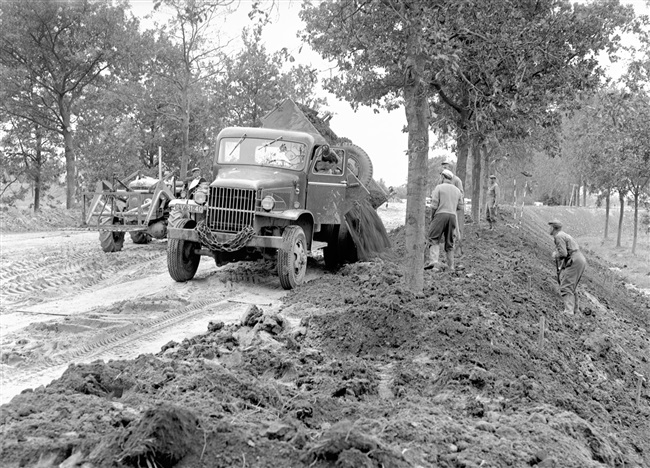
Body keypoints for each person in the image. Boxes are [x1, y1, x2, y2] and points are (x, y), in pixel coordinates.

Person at [425, 169, 463, 272]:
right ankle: (451, 266)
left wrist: (432, 217)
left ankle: (434, 264)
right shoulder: (457, 190)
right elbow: (460, 207)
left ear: (442, 177)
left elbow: (434, 205)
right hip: (452, 217)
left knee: (434, 238)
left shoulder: (439, 188)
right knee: (449, 242)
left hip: (440, 215)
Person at [549, 219, 587, 315]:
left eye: (550, 227)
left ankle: (569, 312)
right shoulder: (563, 235)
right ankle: (575, 310)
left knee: (566, 286)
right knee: (571, 286)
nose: (548, 229)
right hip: (578, 259)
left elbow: (563, 253)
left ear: (553, 228)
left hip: (575, 260)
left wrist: (555, 255)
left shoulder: (558, 236)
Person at [439, 161, 465, 255]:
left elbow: (461, 194)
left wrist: (456, 204)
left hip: (452, 208)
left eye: (446, 167)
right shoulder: (441, 179)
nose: (444, 169)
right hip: (442, 208)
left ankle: (455, 248)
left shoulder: (457, 180)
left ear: (450, 168)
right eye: (443, 167)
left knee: (454, 229)